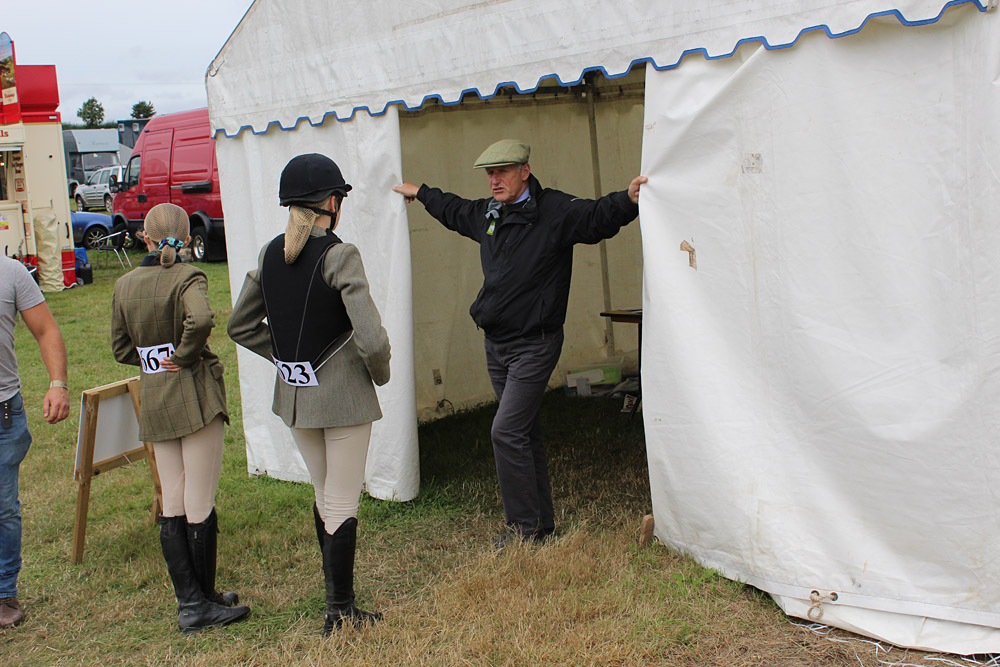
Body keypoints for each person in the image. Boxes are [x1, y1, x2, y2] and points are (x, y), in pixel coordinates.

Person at [393, 139, 646, 548]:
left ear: (525, 170)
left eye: (503, 172)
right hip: (497, 344)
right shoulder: (489, 213)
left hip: (536, 343)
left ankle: (522, 529)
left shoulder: (554, 211)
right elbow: (456, 211)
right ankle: (541, 525)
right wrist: (422, 193)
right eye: (490, 174)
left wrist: (628, 200)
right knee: (524, 432)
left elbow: (596, 216)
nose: (494, 180)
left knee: (505, 431)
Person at [228, 153, 391, 635]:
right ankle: (339, 611)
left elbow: (240, 326)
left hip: (296, 398)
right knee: (341, 500)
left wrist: (283, 358)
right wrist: (378, 375)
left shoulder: (267, 255)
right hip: (340, 395)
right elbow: (372, 338)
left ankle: (338, 604)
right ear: (329, 202)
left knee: (325, 495)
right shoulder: (340, 255)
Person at [111, 203, 250, 632]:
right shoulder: (189, 276)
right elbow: (203, 317)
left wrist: (154, 360)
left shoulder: (124, 284)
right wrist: (183, 355)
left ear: (145, 238)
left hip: (155, 397)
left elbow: (120, 349)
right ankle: (198, 605)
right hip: (192, 392)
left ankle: (195, 599)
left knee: (173, 501)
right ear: (187, 239)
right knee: (199, 501)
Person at [0, 257, 70, 629]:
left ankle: (2, 593)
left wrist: (57, 383)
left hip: (3, 410)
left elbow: (45, 329)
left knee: (2, 508)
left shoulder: (10, 273)